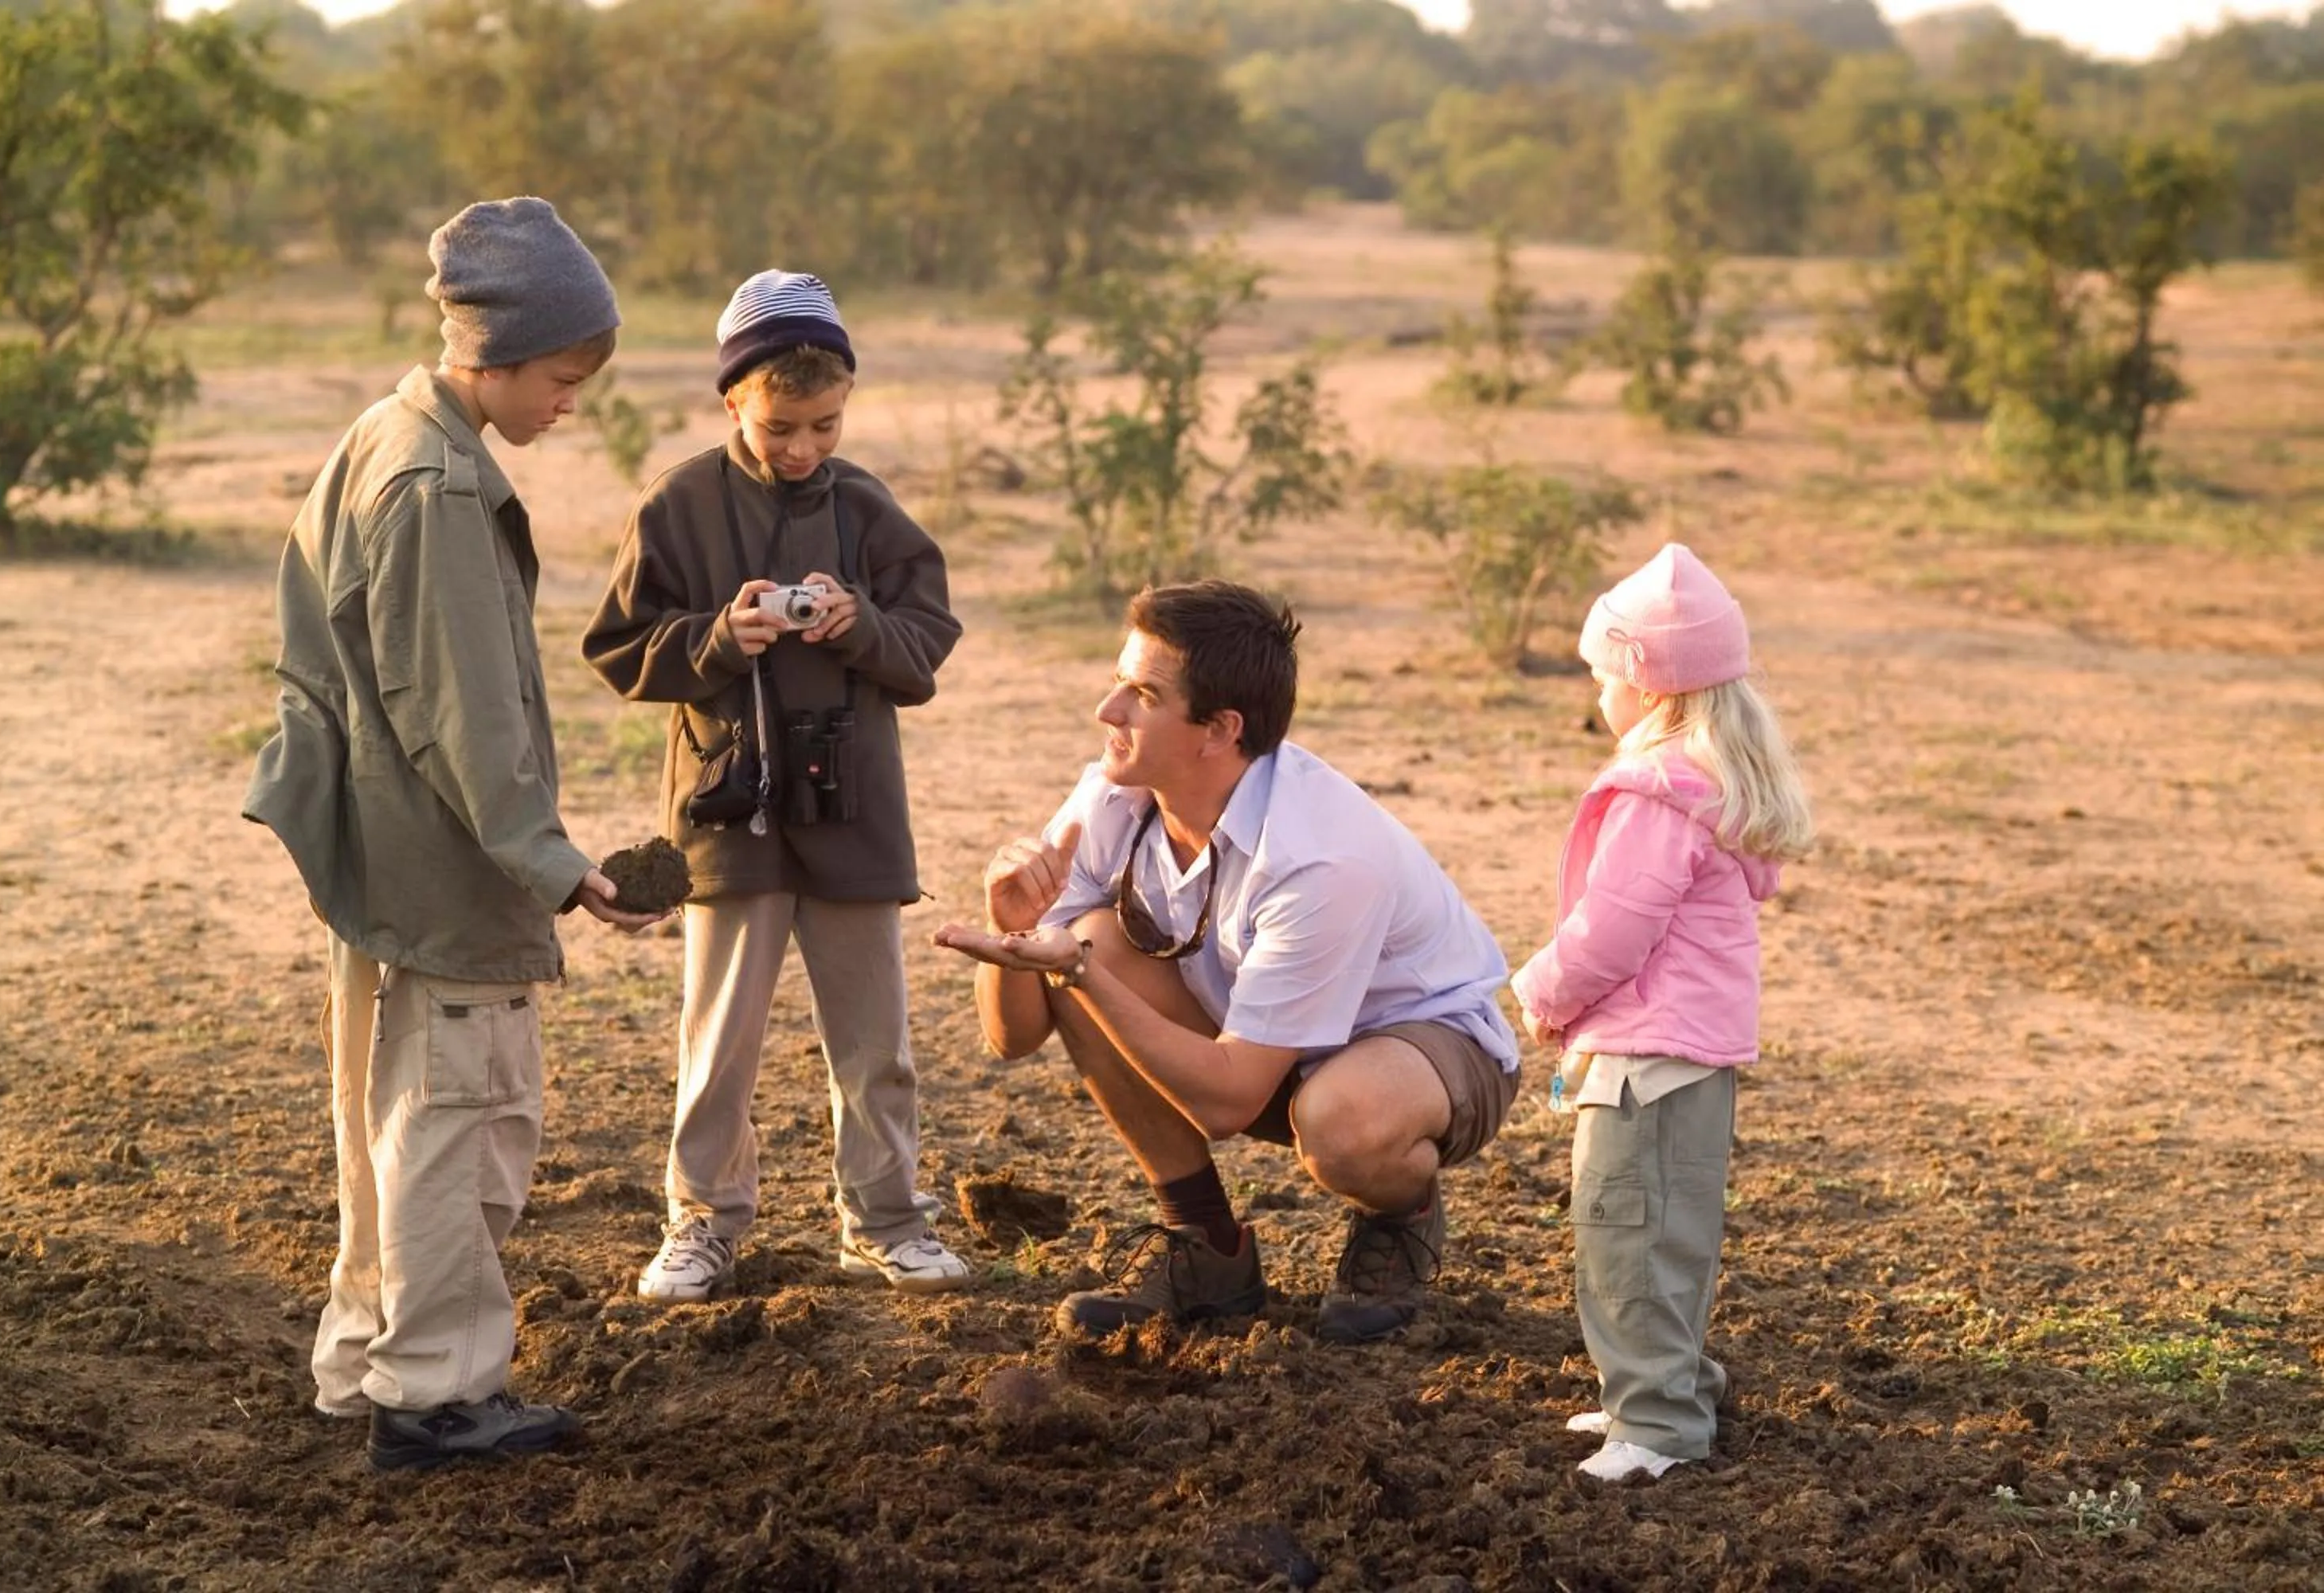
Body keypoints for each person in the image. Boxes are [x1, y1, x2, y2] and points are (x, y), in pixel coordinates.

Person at [244, 197, 664, 1473]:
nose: (570, 402)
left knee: (391, 1114)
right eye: (562, 374)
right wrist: (561, 870)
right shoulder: (433, 483)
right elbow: (464, 715)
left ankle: (367, 1356)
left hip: (386, 854)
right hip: (443, 864)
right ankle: (434, 1394)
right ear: (496, 349)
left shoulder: (390, 434)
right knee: (459, 1123)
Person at [935, 580, 1520, 1344]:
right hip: (1267, 1045)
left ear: (1219, 729)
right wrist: (1010, 933)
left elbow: (1228, 1104)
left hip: (1424, 1049)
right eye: (1118, 680)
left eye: (1141, 694)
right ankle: (1205, 1245)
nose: (1108, 711)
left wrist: (1077, 973)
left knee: (1337, 1123)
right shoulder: (1113, 798)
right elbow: (1009, 1039)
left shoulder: (1319, 855)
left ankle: (1397, 1214)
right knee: (1093, 939)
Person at [582, 268, 972, 1304]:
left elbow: (925, 649)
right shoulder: (679, 502)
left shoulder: (868, 507)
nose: (802, 447)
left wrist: (863, 627)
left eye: (825, 425)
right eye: (780, 425)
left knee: (875, 1044)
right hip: (730, 815)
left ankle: (887, 1224)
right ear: (732, 402)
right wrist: (720, 635)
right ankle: (701, 1227)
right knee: (717, 1045)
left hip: (855, 815)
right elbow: (619, 649)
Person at [1509, 542, 1813, 1482]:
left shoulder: (1655, 797)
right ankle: (1656, 1388)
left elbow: (1612, 932)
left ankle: (1659, 1426)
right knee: (1666, 1232)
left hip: (1646, 1060)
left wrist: (1540, 988)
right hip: (1687, 1059)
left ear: (1652, 688)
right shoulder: (1703, 787)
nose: (1598, 695)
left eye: (1605, 676)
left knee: (1625, 1233)